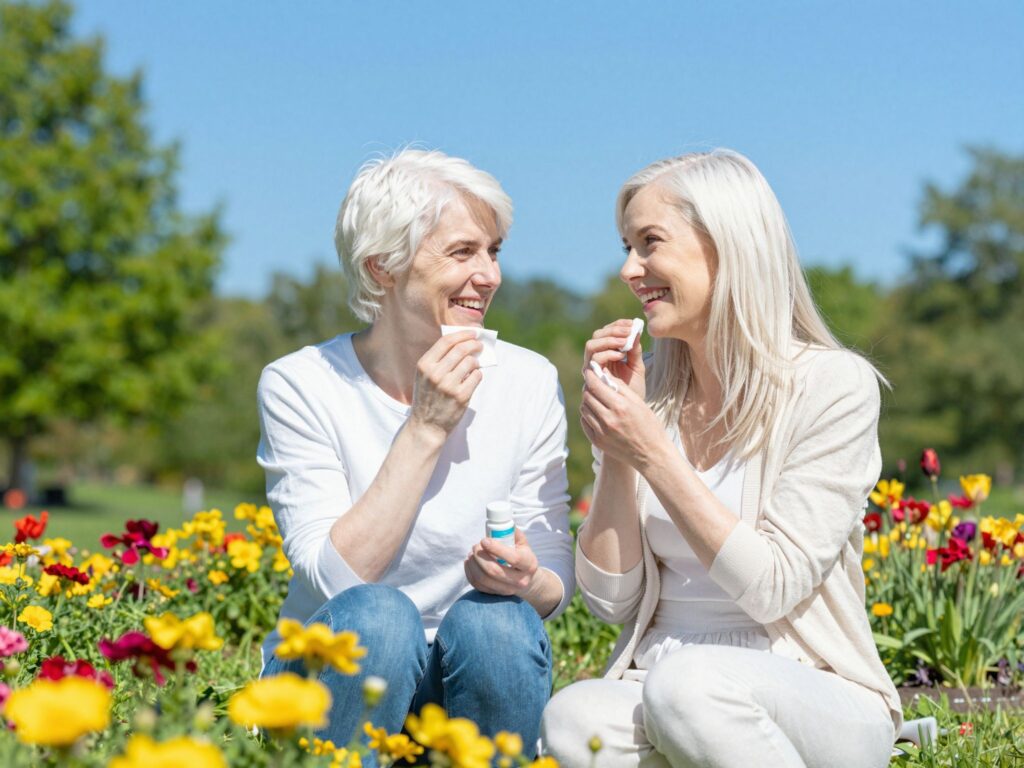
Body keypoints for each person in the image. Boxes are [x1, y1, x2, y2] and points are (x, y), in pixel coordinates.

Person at [541, 150, 900, 768]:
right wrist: (619, 454)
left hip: (812, 688)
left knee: (690, 686)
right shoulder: (646, 392)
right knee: (571, 718)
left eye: (650, 242)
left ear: (727, 246)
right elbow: (610, 601)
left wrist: (651, 452)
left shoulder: (834, 386)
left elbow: (772, 587)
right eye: (626, 246)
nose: (631, 269)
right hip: (658, 679)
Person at [258, 149, 574, 752]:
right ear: (383, 267)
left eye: (494, 251)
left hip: (465, 678)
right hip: (337, 675)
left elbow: (557, 576)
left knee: (499, 625)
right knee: (380, 617)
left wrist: (529, 582)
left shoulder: (527, 380)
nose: (490, 276)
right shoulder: (301, 384)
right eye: (463, 252)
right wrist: (425, 428)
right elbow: (337, 580)